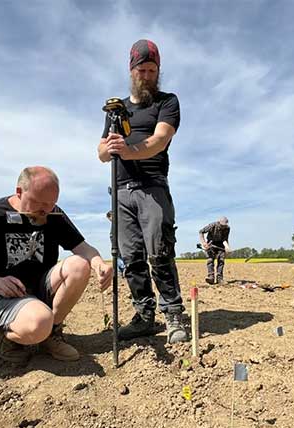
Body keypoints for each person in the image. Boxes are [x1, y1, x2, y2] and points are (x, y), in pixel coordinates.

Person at [0, 166, 112, 364]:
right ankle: (6, 337)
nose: (46, 210)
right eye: (40, 203)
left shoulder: (52, 214)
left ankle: (50, 334)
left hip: (35, 290)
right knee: (40, 321)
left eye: (52, 203)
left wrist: (99, 264)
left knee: (79, 265)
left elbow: (84, 249)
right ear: (20, 192)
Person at [97, 39, 188, 344]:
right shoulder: (116, 110)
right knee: (131, 257)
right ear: (131, 70)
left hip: (152, 187)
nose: (147, 75)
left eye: (152, 70)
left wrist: (127, 149)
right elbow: (100, 151)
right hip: (120, 191)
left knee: (160, 251)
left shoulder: (167, 102)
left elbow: (160, 140)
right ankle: (144, 316)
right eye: (142, 69)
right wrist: (108, 148)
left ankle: (173, 314)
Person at [199, 217, 231, 284]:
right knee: (210, 260)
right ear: (218, 222)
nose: (223, 227)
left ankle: (220, 279)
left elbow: (225, 239)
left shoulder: (227, 228)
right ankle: (211, 277)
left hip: (220, 244)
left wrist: (227, 247)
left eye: (224, 225)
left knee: (221, 261)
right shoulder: (212, 225)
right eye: (222, 225)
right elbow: (201, 232)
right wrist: (204, 243)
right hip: (211, 243)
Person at [105, 211, 126, 278]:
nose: (110, 220)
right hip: (118, 244)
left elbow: (112, 236)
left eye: (110, 218)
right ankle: (120, 273)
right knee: (118, 257)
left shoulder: (117, 224)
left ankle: (123, 270)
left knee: (119, 257)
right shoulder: (117, 223)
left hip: (119, 244)